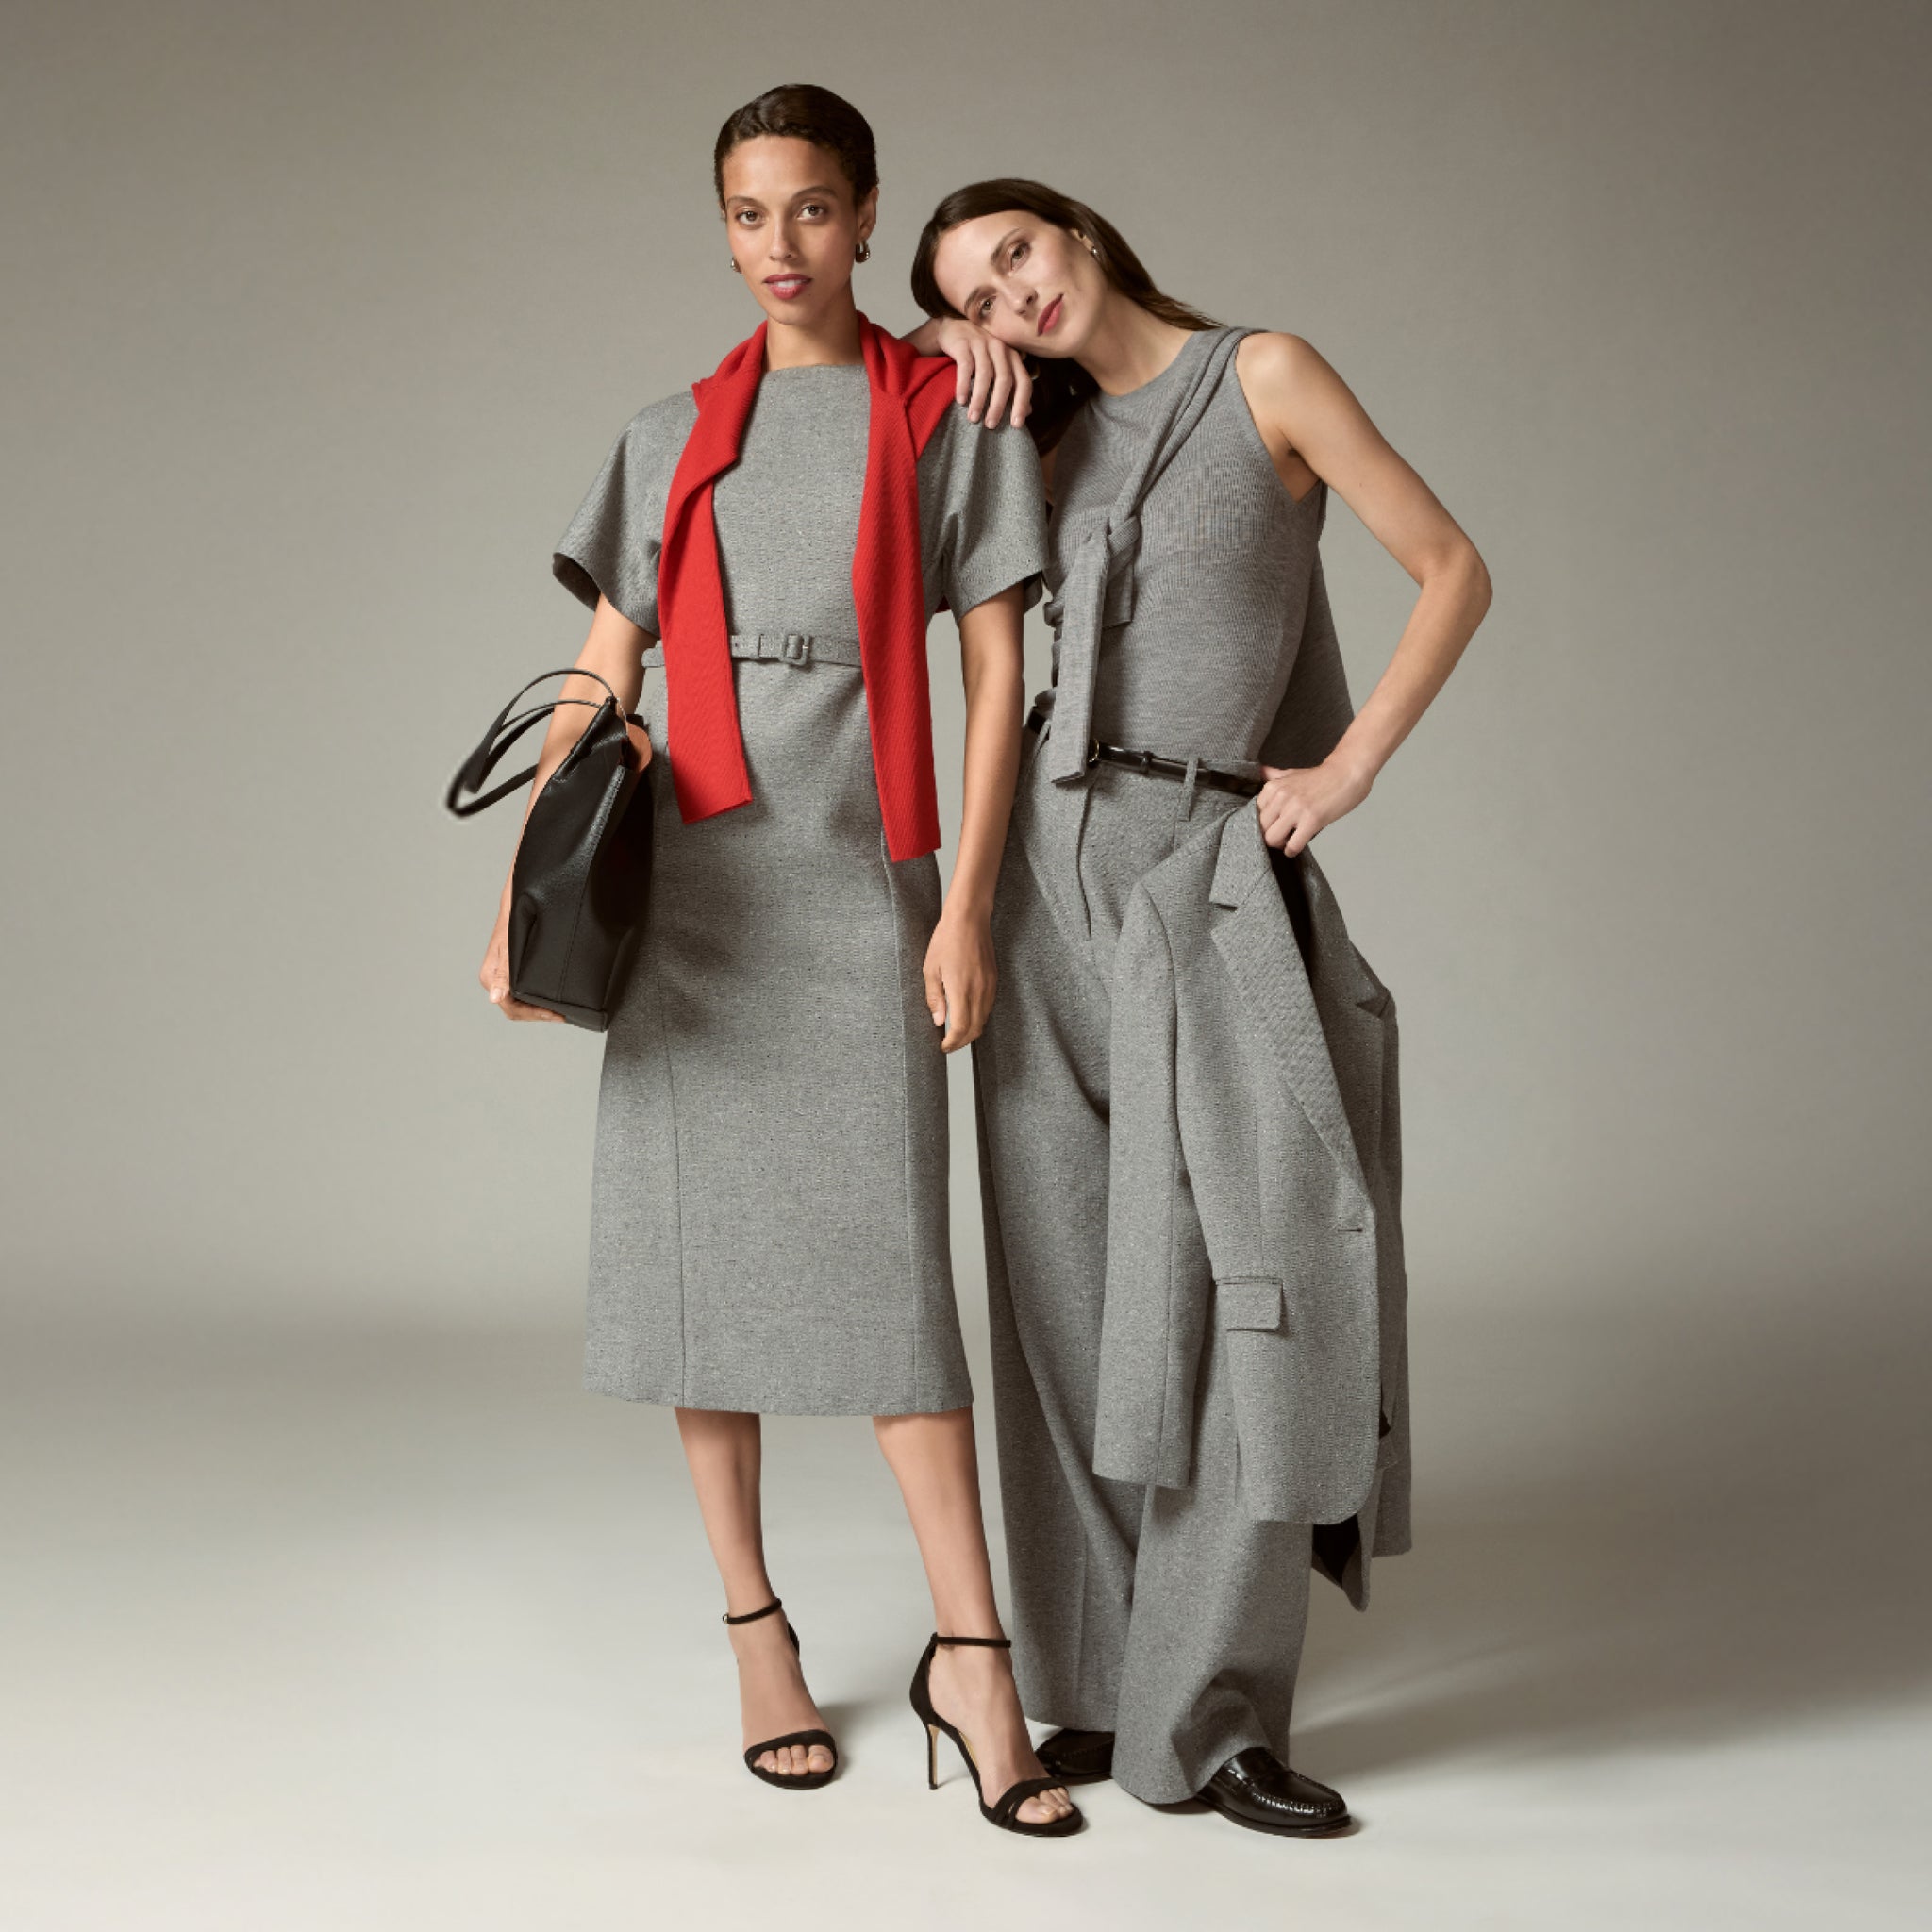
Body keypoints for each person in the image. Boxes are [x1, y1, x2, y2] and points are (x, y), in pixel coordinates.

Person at [477, 95, 1078, 1836]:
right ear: (724, 229)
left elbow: (992, 687)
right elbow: (601, 675)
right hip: (698, 908)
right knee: (701, 1280)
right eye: (749, 215)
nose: (779, 245)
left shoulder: (946, 414)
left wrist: (966, 908)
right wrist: (532, 897)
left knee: (897, 1285)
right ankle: (756, 1632)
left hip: (860, 879)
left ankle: (976, 1656)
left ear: (868, 217)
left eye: (813, 211)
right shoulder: (668, 430)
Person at [909, 178, 1492, 1834]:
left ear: (1077, 234)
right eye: (974, 290)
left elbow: (1451, 565)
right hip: (1036, 871)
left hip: (1206, 858)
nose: (1008, 297)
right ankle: (1101, 1690)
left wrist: (1352, 761)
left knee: (1266, 1277)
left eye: (1013, 254)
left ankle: (1216, 1714)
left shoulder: (1267, 377)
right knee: (1069, 1290)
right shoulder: (1025, 431)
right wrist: (947, 339)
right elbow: (866, 394)